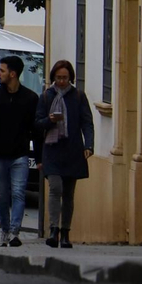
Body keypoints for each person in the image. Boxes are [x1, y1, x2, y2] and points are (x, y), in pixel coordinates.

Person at [0, 54, 38, 247]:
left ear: (13, 74)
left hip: (19, 154)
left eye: (2, 70)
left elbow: (34, 129)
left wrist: (38, 155)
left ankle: (14, 231)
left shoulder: (30, 98)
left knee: (18, 192)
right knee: (2, 196)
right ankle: (4, 228)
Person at [36, 59, 94, 248]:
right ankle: (53, 229)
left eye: (65, 78)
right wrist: (49, 120)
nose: (61, 81)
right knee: (55, 188)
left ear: (71, 79)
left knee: (68, 193)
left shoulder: (78, 97)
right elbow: (37, 123)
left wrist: (89, 145)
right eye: (59, 78)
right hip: (52, 149)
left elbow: (87, 122)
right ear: (53, 77)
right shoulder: (46, 96)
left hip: (72, 149)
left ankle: (66, 233)